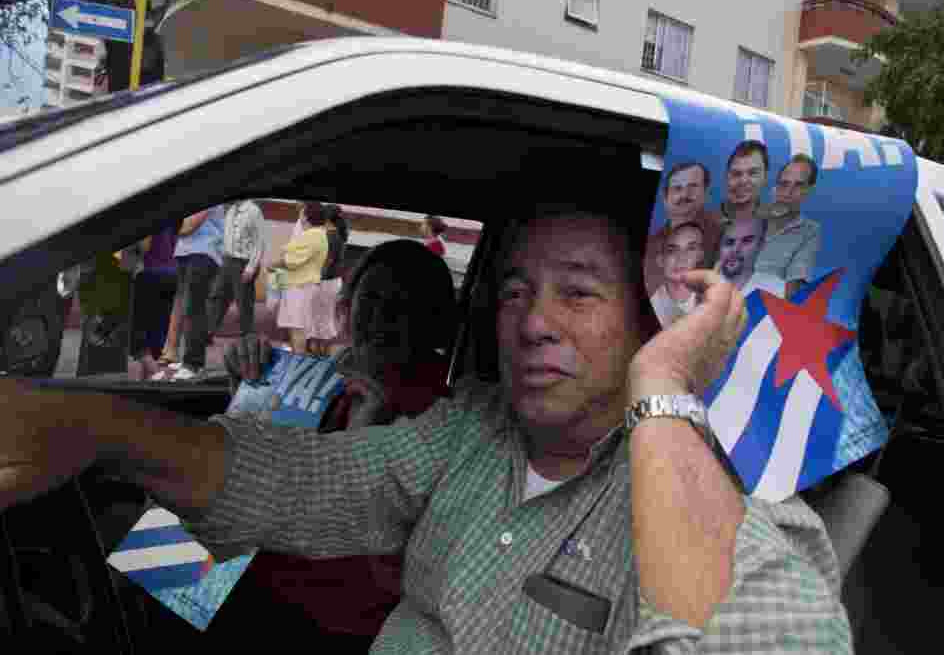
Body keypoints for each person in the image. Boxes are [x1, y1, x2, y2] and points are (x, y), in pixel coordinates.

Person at [0, 208, 852, 654]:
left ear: (656, 325)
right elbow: (306, 483)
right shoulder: (473, 428)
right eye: (514, 291)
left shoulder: (693, 495)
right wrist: (96, 425)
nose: (533, 321)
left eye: (580, 293)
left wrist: (663, 392)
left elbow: (773, 640)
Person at [216, 239, 457, 650]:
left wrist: (366, 438)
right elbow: (254, 481)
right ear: (346, 310)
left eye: (403, 306)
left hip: (339, 627)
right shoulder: (308, 379)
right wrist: (248, 390)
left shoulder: (447, 420)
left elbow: (404, 568)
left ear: (434, 324)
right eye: (372, 300)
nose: (382, 317)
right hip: (242, 586)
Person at [163, 206, 226, 382]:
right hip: (185, 253)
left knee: (193, 308)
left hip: (204, 253)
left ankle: (194, 363)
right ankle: (187, 359)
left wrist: (175, 229)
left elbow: (190, 225)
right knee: (185, 307)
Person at [644, 162, 723, 295]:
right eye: (677, 188)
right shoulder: (651, 246)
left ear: (706, 193)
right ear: (665, 198)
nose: (684, 194)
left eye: (692, 187)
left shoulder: (725, 234)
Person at [755, 154, 823, 298]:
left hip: (764, 310)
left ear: (809, 190)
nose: (788, 192)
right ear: (775, 186)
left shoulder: (810, 231)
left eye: (798, 185)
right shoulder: (750, 216)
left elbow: (793, 289)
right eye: (784, 184)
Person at [272, 202, 330, 355]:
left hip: (301, 287)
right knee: (297, 327)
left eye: (302, 214)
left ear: (307, 217)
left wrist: (273, 264)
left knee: (298, 329)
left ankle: (298, 362)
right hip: (301, 286)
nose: (300, 217)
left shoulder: (312, 235)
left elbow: (291, 261)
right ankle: (297, 358)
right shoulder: (318, 234)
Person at [208, 200, 265, 341]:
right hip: (227, 260)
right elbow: (225, 236)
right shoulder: (231, 209)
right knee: (217, 296)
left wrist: (251, 267)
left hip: (243, 262)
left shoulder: (253, 211)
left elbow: (260, 241)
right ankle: (208, 331)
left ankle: (247, 335)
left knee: (244, 301)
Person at [128, 226, 178, 380]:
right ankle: (145, 381)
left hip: (149, 273)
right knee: (156, 334)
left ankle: (158, 374)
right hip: (172, 274)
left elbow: (144, 246)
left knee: (137, 334)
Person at [307, 205, 348, 357]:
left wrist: (316, 279)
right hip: (332, 281)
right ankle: (321, 353)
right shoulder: (337, 234)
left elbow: (327, 261)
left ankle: (322, 354)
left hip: (325, 282)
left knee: (321, 319)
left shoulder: (330, 236)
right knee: (324, 318)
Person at [650, 221, 705, 327]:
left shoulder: (712, 300)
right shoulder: (649, 307)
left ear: (700, 255)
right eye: (672, 250)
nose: (681, 258)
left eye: (691, 249)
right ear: (660, 260)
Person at [717, 216, 786, 298]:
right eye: (729, 242)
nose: (735, 249)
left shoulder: (778, 290)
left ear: (761, 245)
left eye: (746, 241)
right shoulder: (701, 287)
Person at [721, 140, 770, 223]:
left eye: (752, 173)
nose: (743, 181)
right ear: (726, 177)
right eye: (736, 173)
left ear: (765, 177)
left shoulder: (777, 226)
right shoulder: (709, 223)